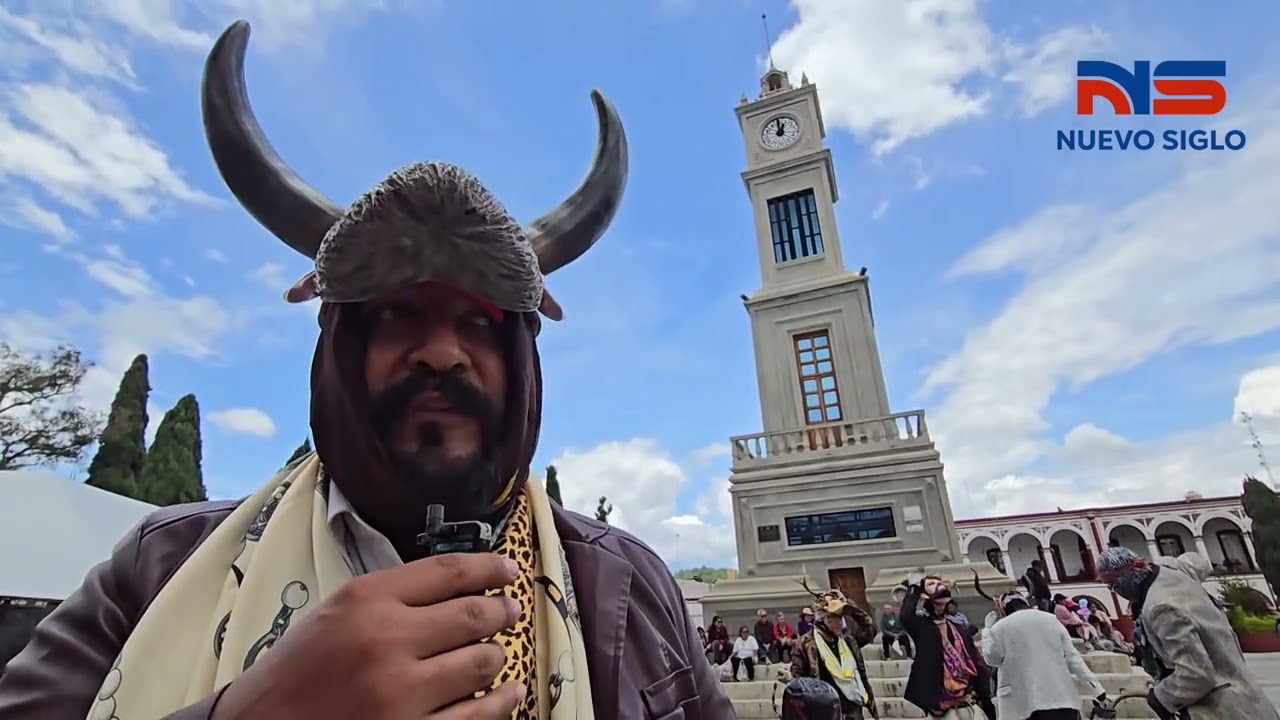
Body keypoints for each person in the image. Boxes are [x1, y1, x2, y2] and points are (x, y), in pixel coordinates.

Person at [0, 20, 735, 720]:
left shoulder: (629, 588)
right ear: (338, 347)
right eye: (395, 314)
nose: (442, 353)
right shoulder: (156, 568)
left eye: (478, 322)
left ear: (523, 353)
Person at [1097, 546, 1279, 720]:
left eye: (1112, 586)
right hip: (1248, 691)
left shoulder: (1160, 608)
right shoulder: (1175, 570)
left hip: (1226, 707)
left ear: (1123, 582)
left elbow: (1196, 674)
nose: (1116, 592)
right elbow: (1199, 562)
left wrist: (1161, 697)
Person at [981, 590, 1108, 720]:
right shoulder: (1051, 620)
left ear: (1003, 609)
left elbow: (991, 658)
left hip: (1021, 706)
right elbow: (1074, 659)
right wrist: (1098, 691)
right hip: (1060, 700)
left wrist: (986, 631)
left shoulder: (1000, 627)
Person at [899, 576, 995, 719]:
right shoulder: (922, 627)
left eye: (941, 583)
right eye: (932, 584)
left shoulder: (959, 628)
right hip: (942, 709)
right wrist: (915, 589)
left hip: (969, 705)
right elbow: (905, 616)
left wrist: (987, 704)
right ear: (924, 595)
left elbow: (977, 663)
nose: (939, 586)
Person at [789, 587, 877, 719]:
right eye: (838, 618)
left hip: (853, 708)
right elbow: (798, 679)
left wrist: (852, 609)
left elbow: (869, 631)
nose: (841, 623)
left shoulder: (847, 640)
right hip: (826, 710)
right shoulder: (805, 644)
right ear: (827, 620)